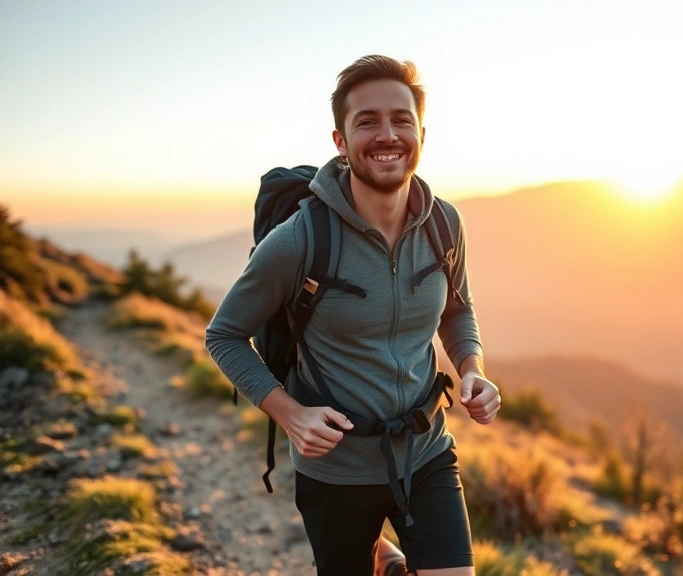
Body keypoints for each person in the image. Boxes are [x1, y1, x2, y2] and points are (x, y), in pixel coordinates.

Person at [206, 54, 500, 575]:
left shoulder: (445, 224)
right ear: (340, 141)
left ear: (421, 134)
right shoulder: (299, 240)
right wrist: (290, 414)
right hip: (336, 469)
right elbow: (225, 335)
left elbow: (457, 307)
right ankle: (381, 557)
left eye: (400, 119)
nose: (387, 134)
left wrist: (473, 368)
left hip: (425, 451)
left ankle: (382, 557)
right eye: (367, 121)